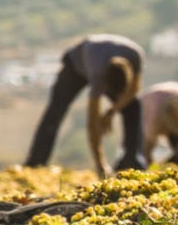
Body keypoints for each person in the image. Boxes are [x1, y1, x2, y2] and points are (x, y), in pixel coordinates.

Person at [25, 34, 145, 178]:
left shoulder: (135, 56)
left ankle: (132, 161)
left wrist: (112, 111)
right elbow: (92, 124)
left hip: (98, 54)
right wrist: (100, 164)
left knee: (133, 106)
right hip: (75, 65)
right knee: (55, 111)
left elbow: (134, 89)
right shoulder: (98, 74)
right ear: (104, 85)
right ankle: (36, 162)